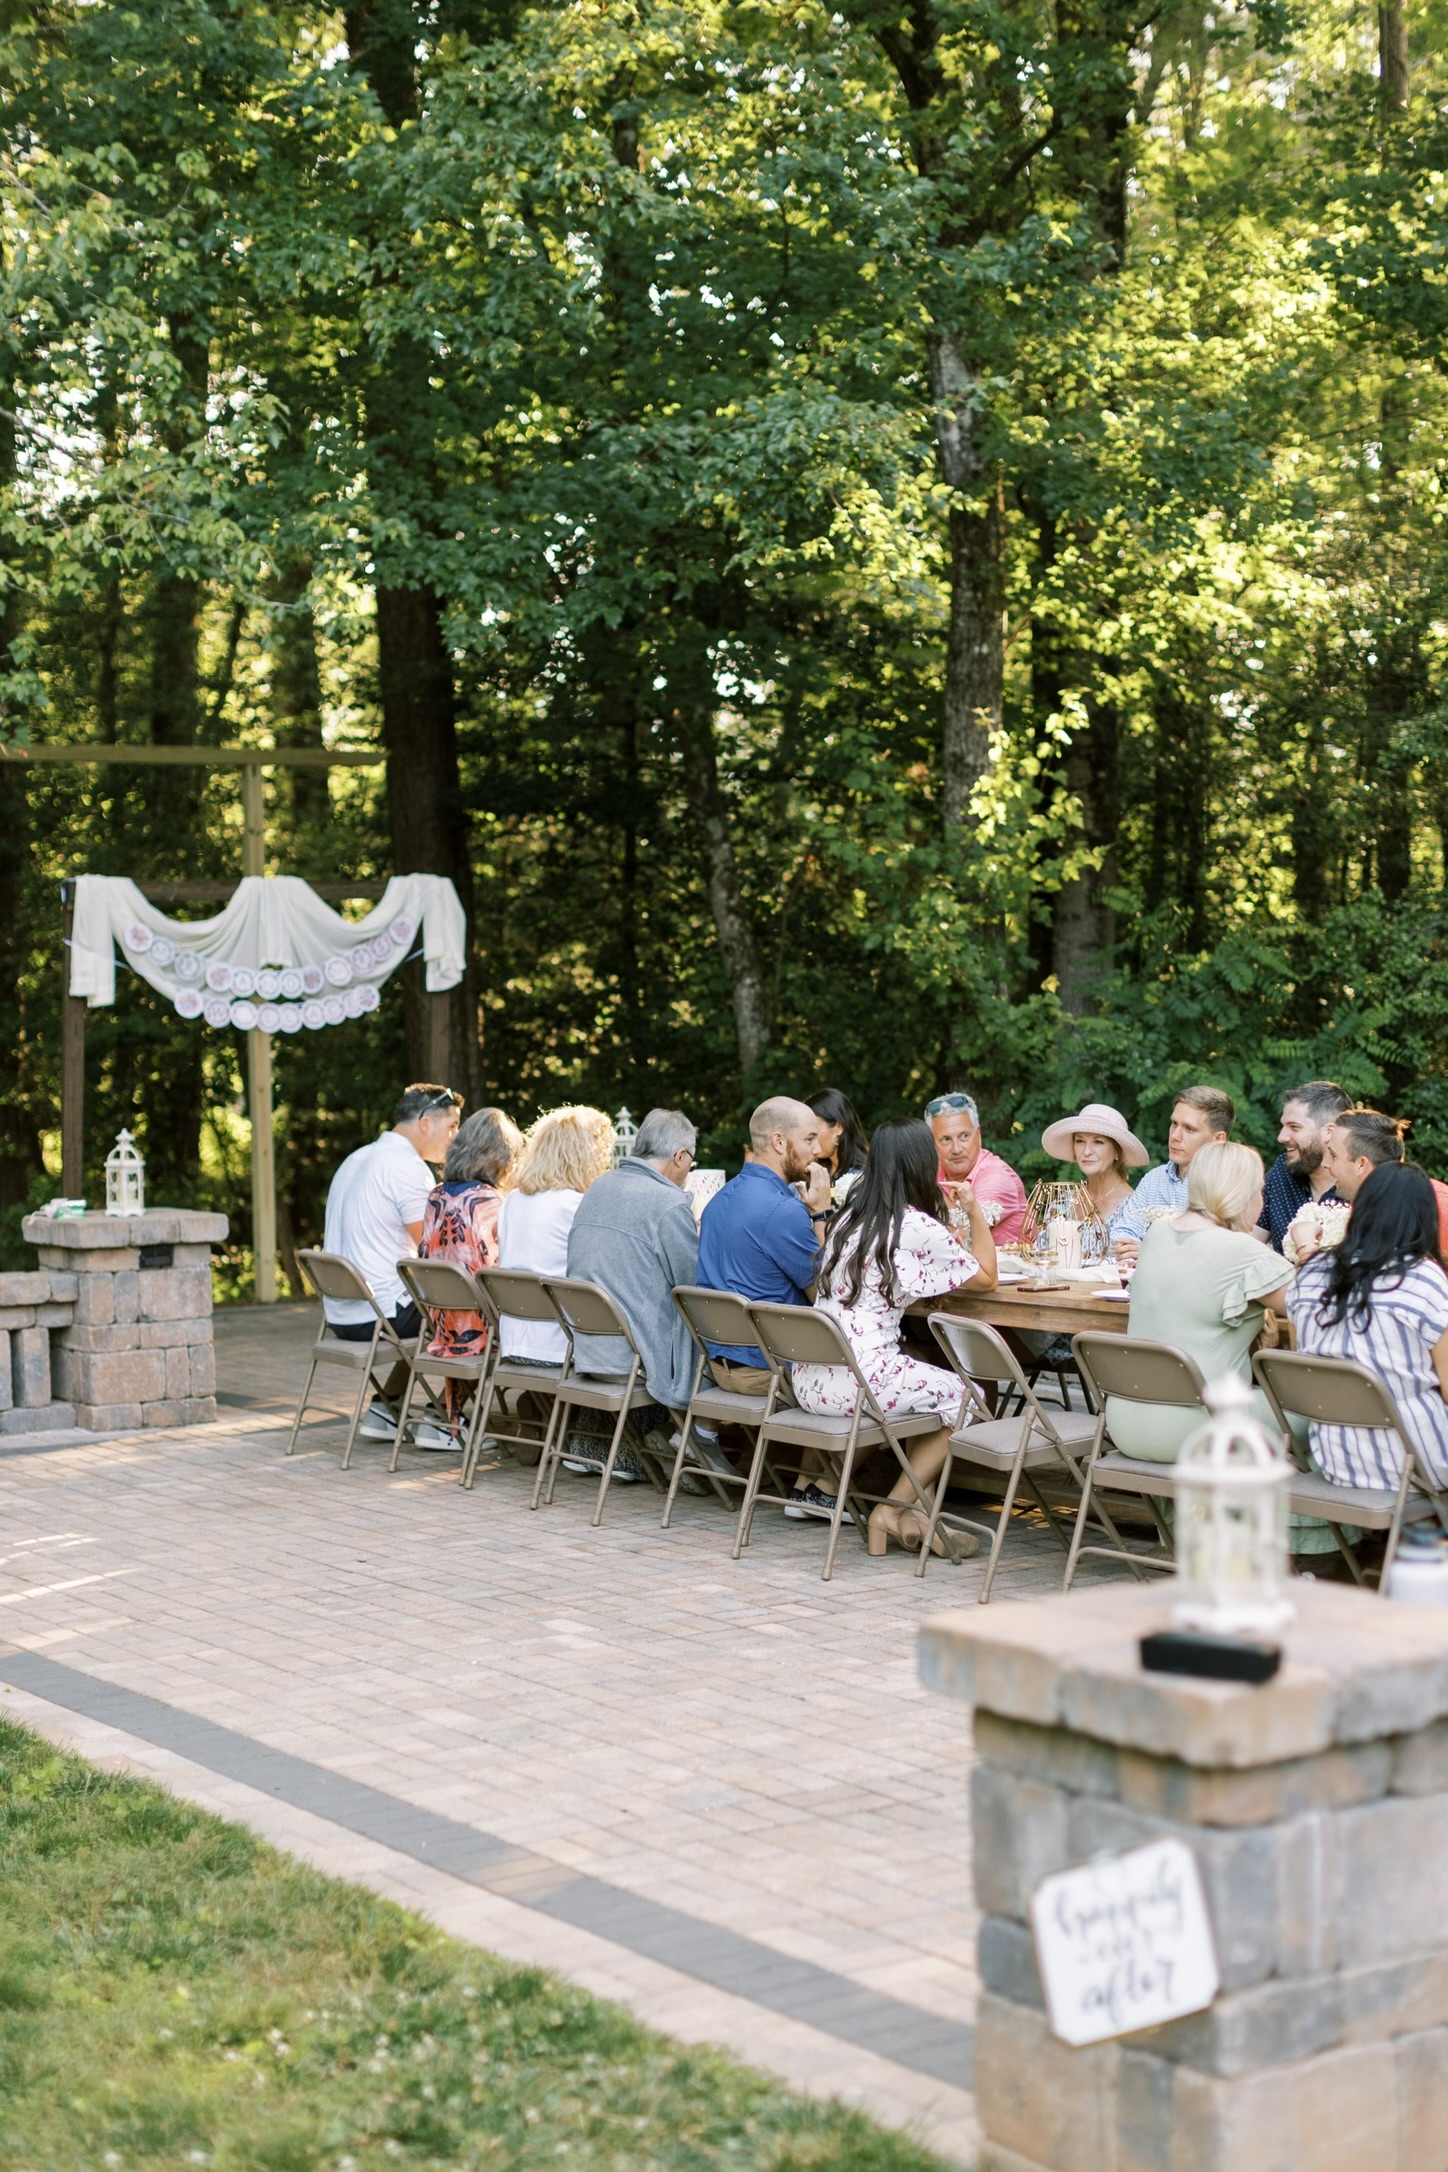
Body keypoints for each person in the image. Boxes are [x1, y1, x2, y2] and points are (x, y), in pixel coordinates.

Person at [791, 1116, 996, 1553]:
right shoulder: (913, 1224)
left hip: (810, 1378)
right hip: (858, 1382)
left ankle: (914, 1513)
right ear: (922, 1163)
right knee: (968, 1399)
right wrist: (975, 1210)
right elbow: (987, 1277)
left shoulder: (848, 1218)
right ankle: (893, 1507)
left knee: (927, 1378)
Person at [1105, 1141, 1292, 1462]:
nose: (1262, 1201)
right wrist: (1305, 1244)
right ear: (1241, 1194)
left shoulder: (1158, 1232)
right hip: (1202, 1428)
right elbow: (1318, 1307)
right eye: (1258, 1191)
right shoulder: (1243, 1252)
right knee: (1317, 1417)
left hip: (1125, 1422)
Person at [1288, 1161, 1448, 1492]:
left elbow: (1299, 1359)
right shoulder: (1424, 1278)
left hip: (1338, 1460)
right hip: (1418, 1465)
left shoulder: (1309, 1274)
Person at [322, 1082, 464, 1443]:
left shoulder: (357, 1158)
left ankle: (386, 1406)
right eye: (452, 1126)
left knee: (424, 1305)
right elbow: (435, 1254)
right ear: (425, 1123)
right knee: (471, 1313)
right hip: (378, 1316)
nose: (456, 1137)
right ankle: (443, 1423)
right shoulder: (407, 1168)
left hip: (341, 1314)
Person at [564, 1107, 701, 1473]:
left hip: (588, 1343)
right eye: (691, 1161)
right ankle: (678, 1441)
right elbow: (691, 1286)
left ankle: (599, 1445)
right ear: (679, 1156)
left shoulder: (599, 1186)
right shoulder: (668, 1203)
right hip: (634, 1356)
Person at [697, 1097, 831, 1391]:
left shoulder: (717, 1201)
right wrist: (821, 1212)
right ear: (779, 1142)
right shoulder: (783, 1211)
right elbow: (825, 1295)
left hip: (720, 1366)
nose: (819, 1151)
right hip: (773, 1371)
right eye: (810, 1139)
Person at [414, 1107, 523, 1448]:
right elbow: (497, 1273)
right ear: (498, 1157)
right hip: (482, 1328)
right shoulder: (489, 1201)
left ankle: (454, 1420)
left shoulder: (436, 1196)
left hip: (442, 1322)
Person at [496, 1105, 616, 1365]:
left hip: (513, 1342)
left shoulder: (511, 1201)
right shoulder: (576, 1206)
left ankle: (545, 1403)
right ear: (586, 1157)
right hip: (561, 1345)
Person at [1302, 1108, 1448, 1261]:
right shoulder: (1362, 1204)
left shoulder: (1439, 1205)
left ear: (1361, 1164)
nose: (1325, 1164)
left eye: (1333, 1155)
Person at [1113, 1085, 1235, 1259]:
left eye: (1189, 1129)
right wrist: (1131, 1249)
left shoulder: (1230, 1185)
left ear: (1218, 1139)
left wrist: (1151, 1253)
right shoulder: (1154, 1179)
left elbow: (1222, 1252)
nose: (1175, 1136)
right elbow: (1123, 1230)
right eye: (1174, 1124)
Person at [1259, 1080, 1351, 1251]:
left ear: (1329, 1132)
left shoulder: (1361, 1185)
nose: (1281, 1137)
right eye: (1283, 1126)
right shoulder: (1282, 1171)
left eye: (1294, 1127)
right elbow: (1251, 1242)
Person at [926, 1090, 1028, 1244]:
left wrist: (933, 1190)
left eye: (964, 1136)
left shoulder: (998, 1177)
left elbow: (966, 1237)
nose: (956, 1149)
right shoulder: (933, 1172)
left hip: (1010, 1268)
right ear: (932, 1144)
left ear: (978, 1135)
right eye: (946, 1139)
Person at [1039, 1102, 1149, 1240]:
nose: (1086, 1152)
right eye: (1080, 1141)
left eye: (1098, 1142)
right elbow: (1041, 1254)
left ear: (1117, 1152)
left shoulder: (1134, 1207)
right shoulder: (1064, 1202)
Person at [807, 1088, 869, 1201]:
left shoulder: (864, 1176)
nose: (810, 1139)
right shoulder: (813, 1170)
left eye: (815, 1131)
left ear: (839, 1128)